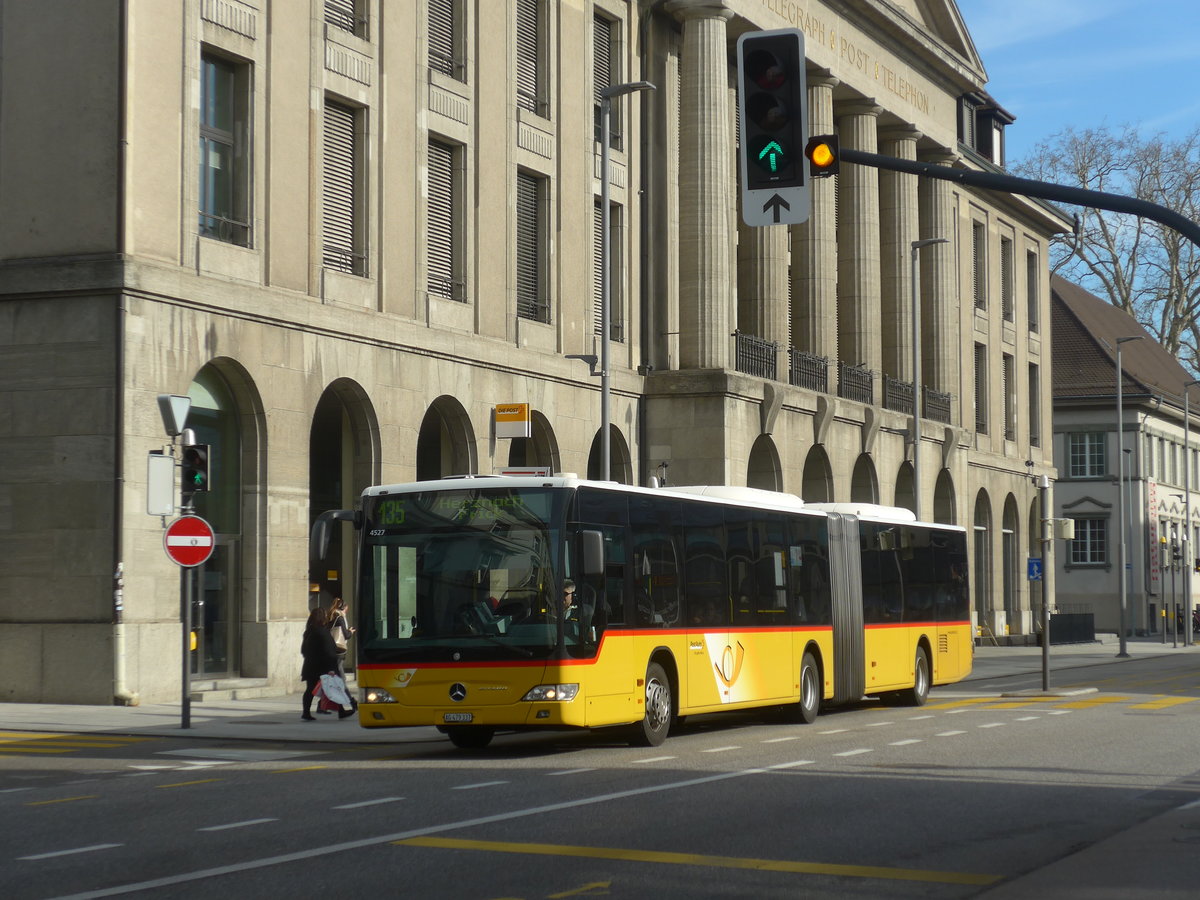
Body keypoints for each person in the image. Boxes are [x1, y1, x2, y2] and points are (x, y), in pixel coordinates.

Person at [300, 606, 354, 721]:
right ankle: (341, 711)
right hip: (323, 666)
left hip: (311, 666)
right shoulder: (322, 632)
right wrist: (331, 668)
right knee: (334, 687)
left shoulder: (309, 631)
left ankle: (306, 712)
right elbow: (330, 650)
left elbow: (303, 650)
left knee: (310, 689)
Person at [328, 597, 358, 710]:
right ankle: (351, 702)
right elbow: (346, 635)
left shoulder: (330, 616)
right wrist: (350, 631)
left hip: (331, 651)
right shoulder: (340, 618)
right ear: (343, 608)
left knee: (333, 678)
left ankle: (323, 705)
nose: (346, 611)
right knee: (341, 679)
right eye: (346, 609)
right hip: (339, 652)